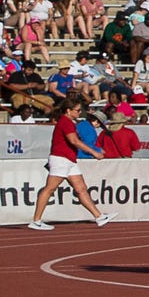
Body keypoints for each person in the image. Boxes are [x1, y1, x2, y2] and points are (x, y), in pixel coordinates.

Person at [25, 94, 112, 229]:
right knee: (49, 189)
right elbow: (74, 141)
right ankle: (36, 220)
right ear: (68, 110)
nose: (79, 112)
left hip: (69, 160)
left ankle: (99, 217)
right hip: (61, 159)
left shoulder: (70, 123)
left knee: (81, 189)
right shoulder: (65, 122)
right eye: (77, 110)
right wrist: (94, 152)